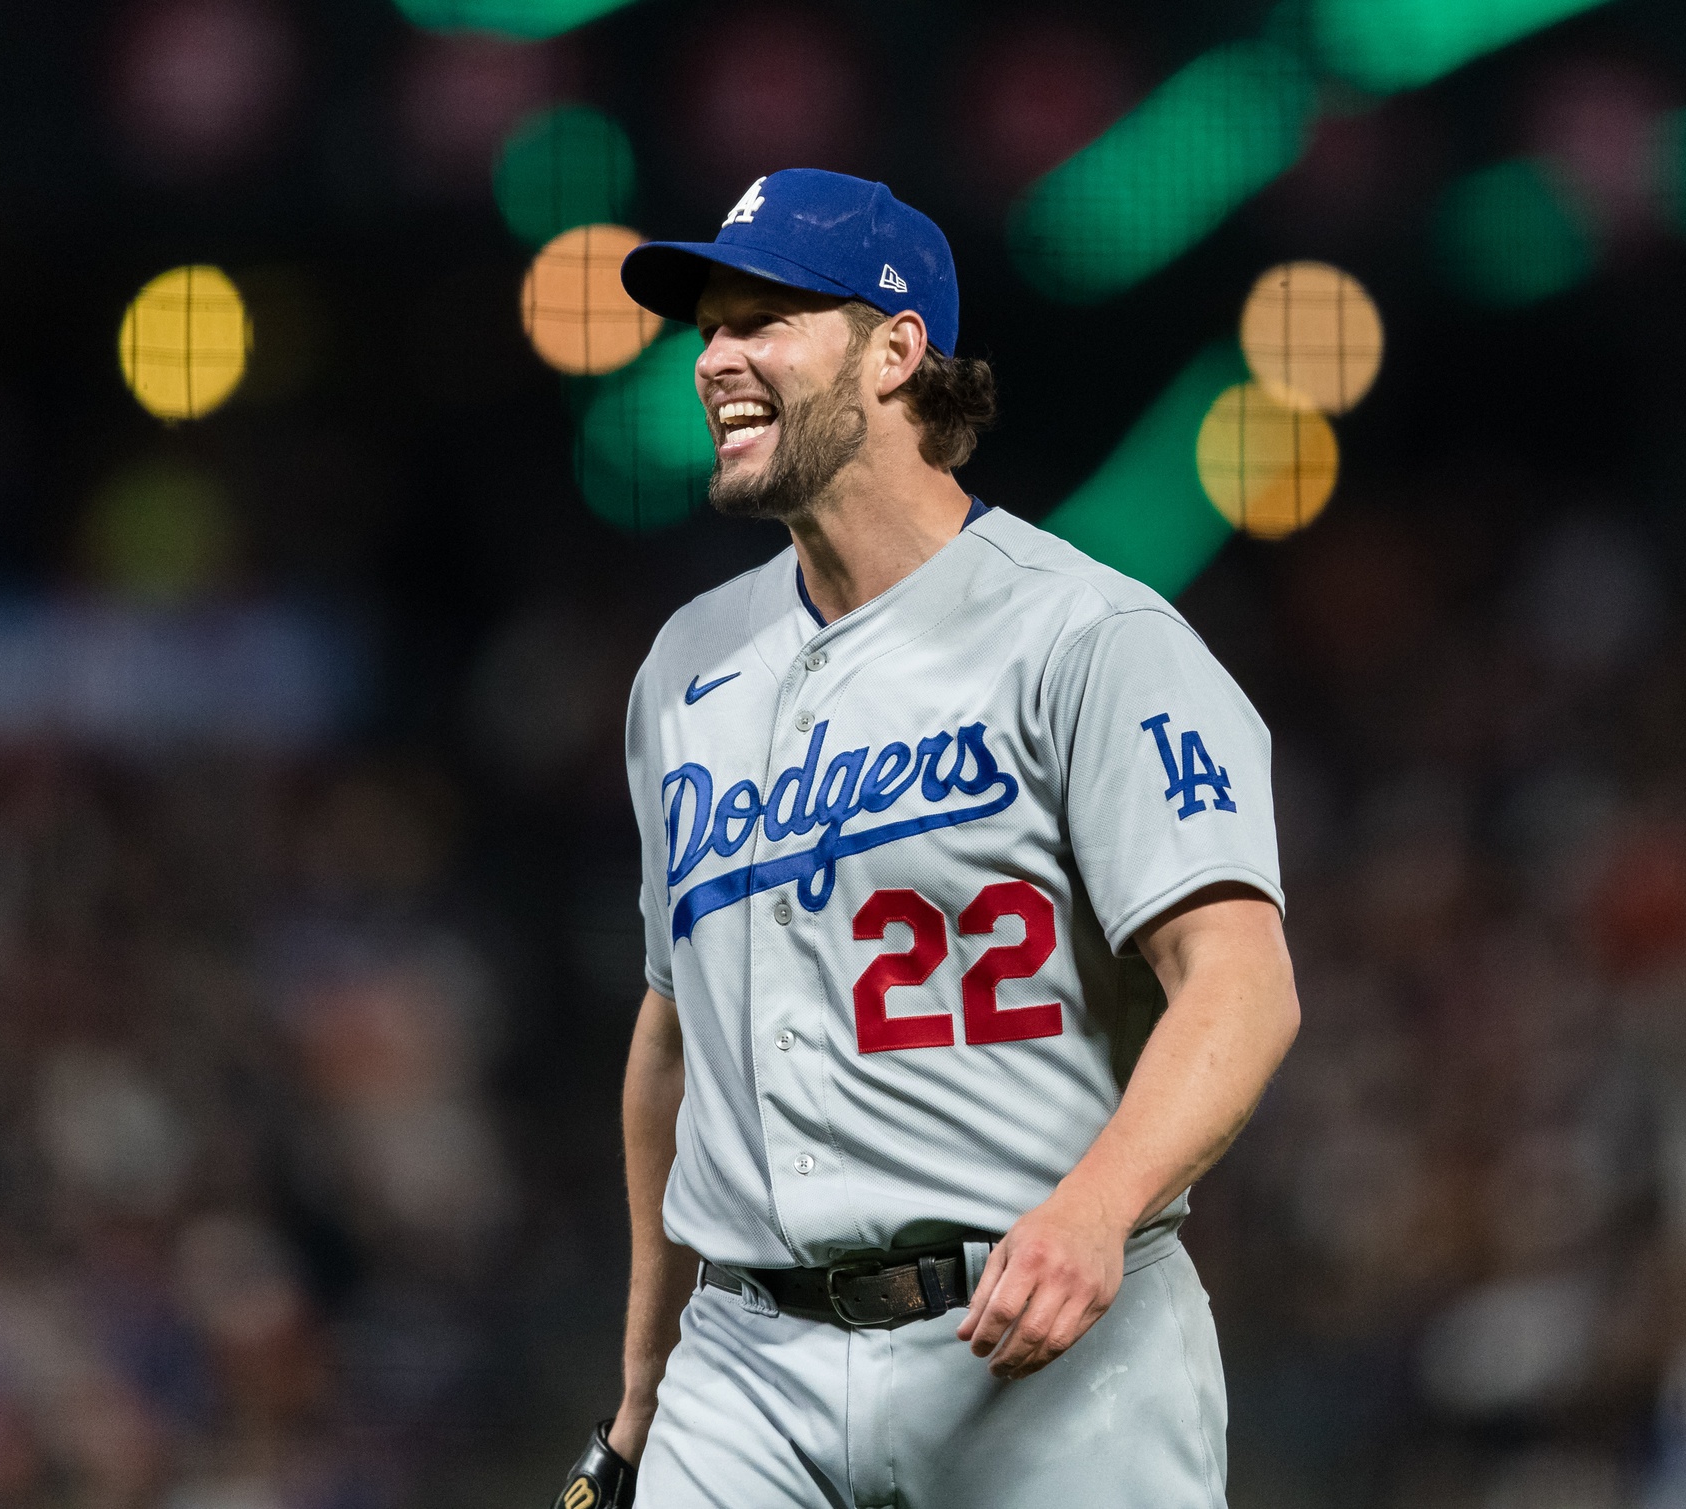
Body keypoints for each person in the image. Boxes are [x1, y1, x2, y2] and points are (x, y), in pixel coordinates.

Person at [551, 168, 1301, 1509]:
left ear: (897, 350)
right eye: (709, 326)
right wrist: (643, 1395)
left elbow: (1241, 981)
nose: (715, 357)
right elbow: (673, 1047)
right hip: (748, 1361)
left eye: (762, 316)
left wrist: (1095, 1207)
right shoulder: (686, 668)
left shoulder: (1088, 637)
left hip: (1045, 1347)